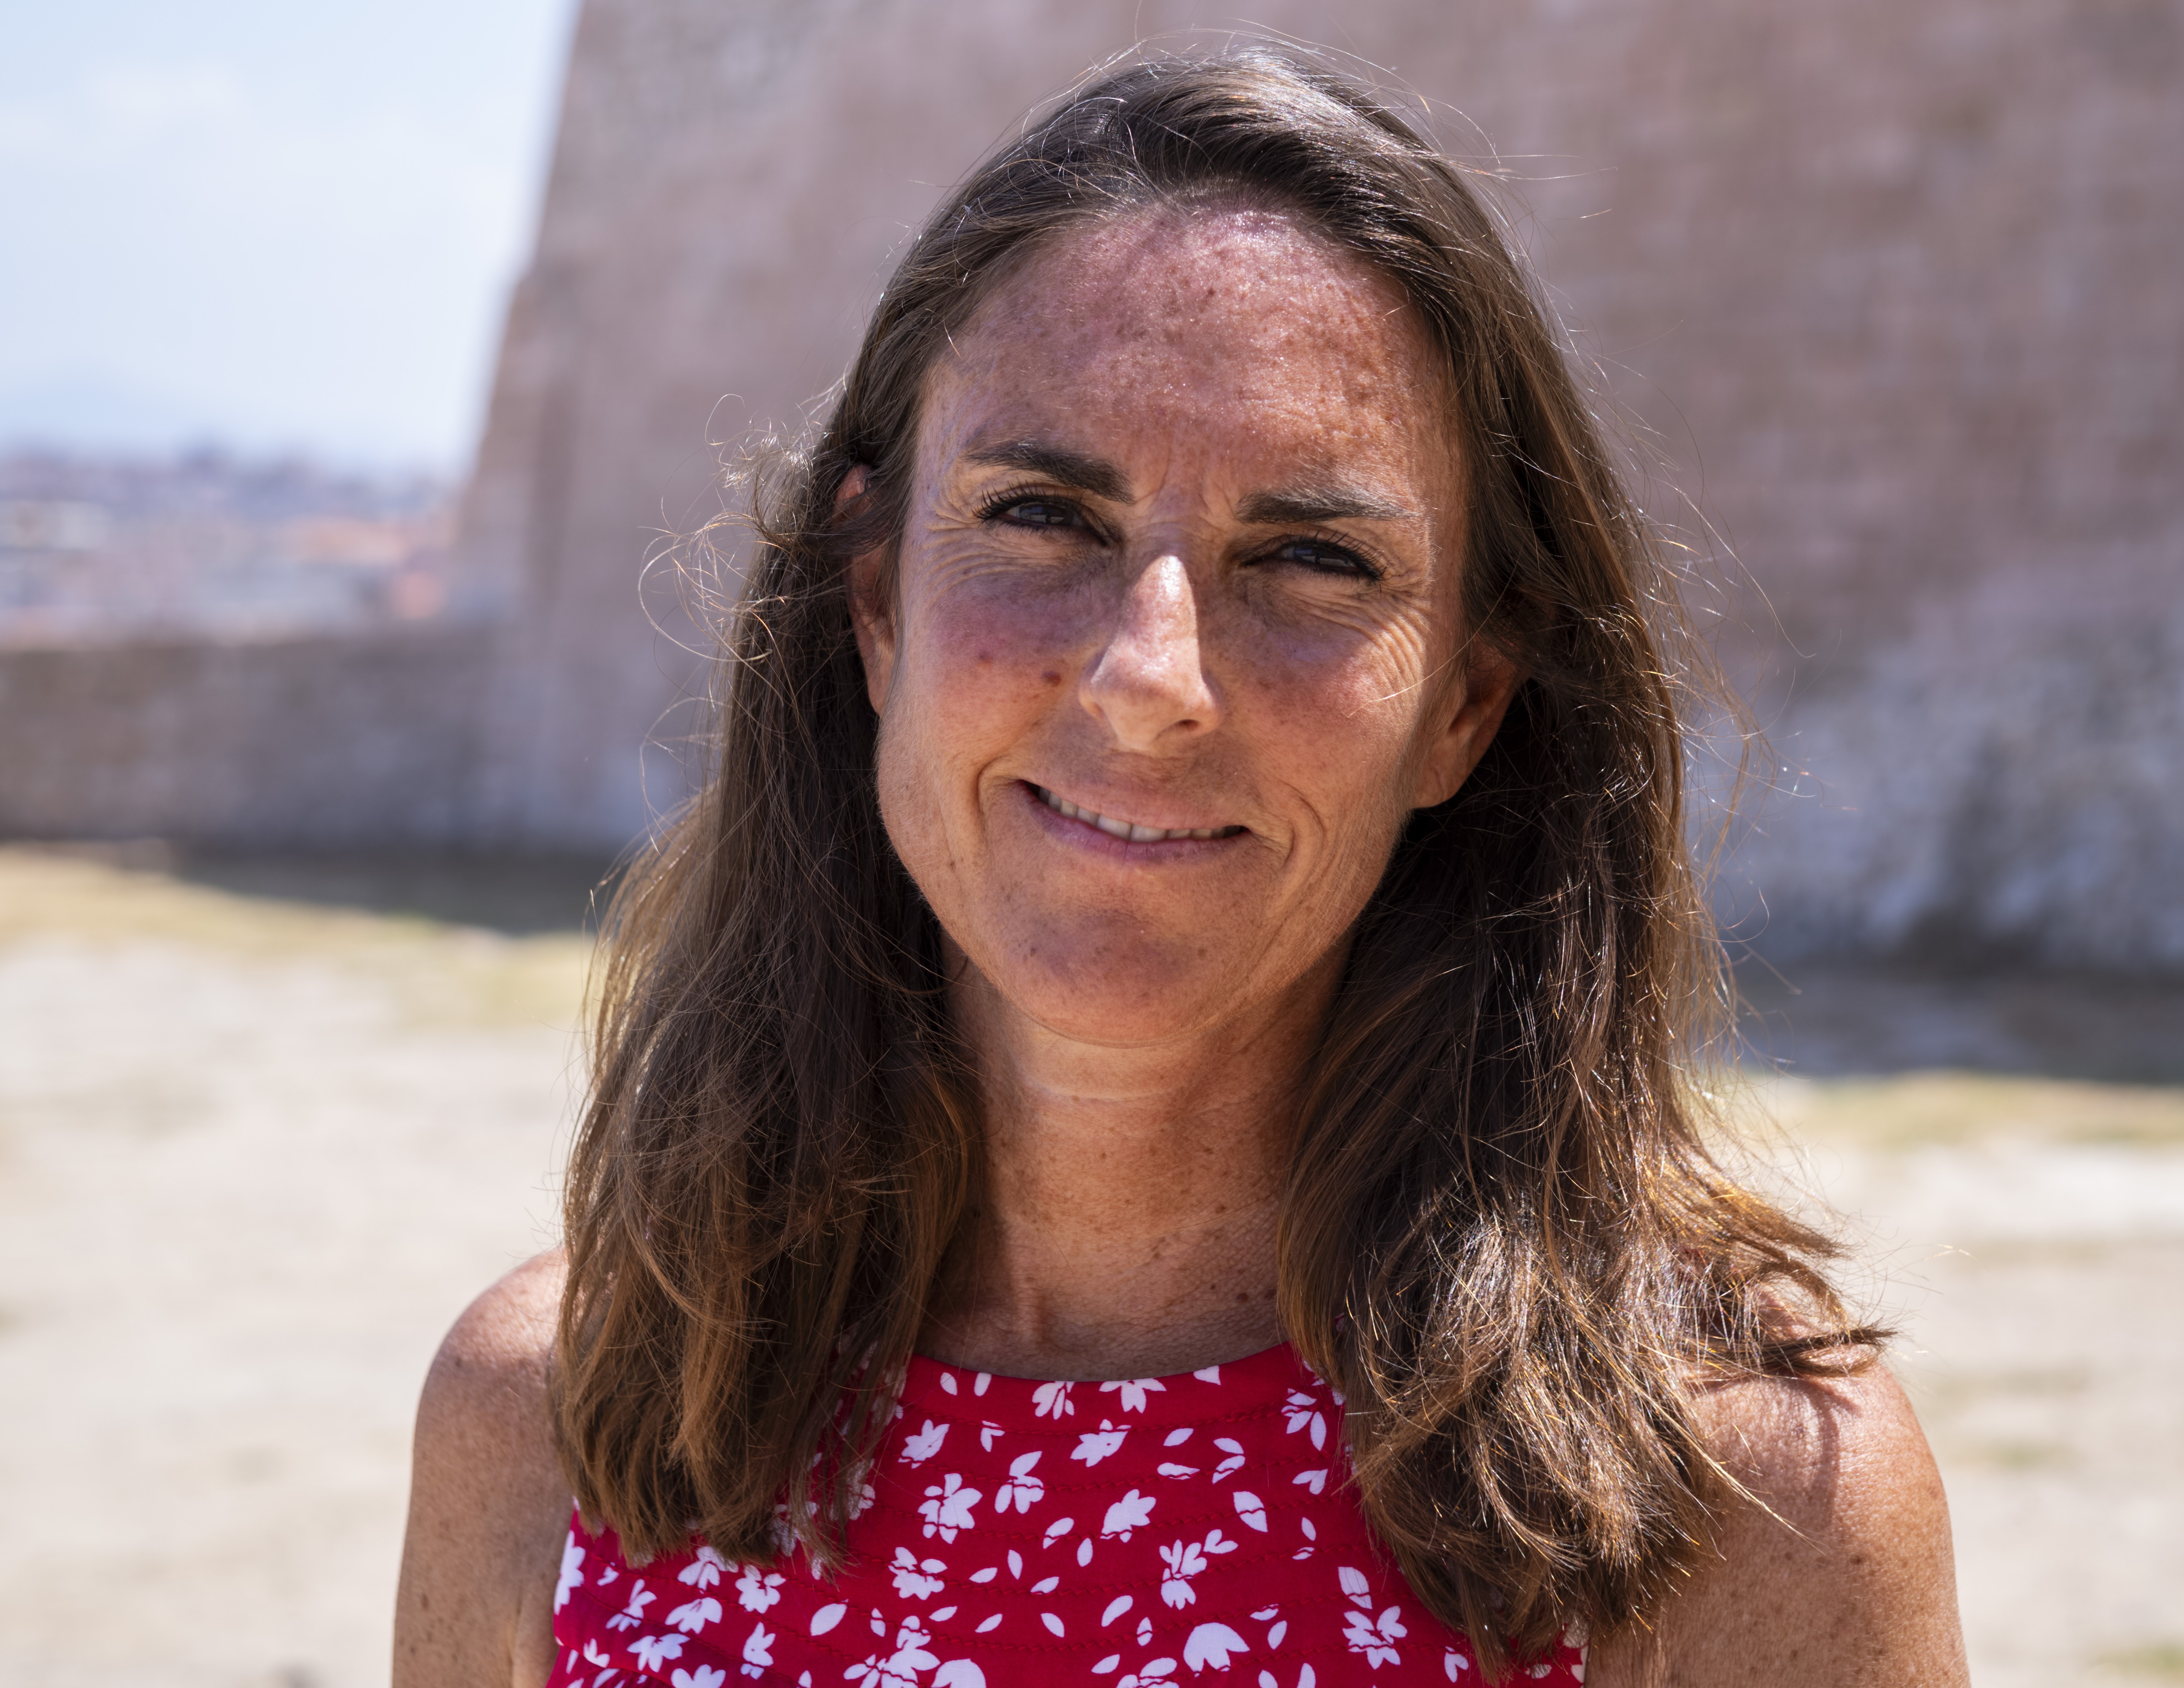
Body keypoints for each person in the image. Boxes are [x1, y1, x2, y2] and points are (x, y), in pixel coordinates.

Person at [394, 50, 1968, 1688]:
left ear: (1465, 705)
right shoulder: (556, 1416)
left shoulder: (1734, 1484)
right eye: (1041, 518)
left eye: (1307, 557)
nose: (1149, 677)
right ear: (874, 607)